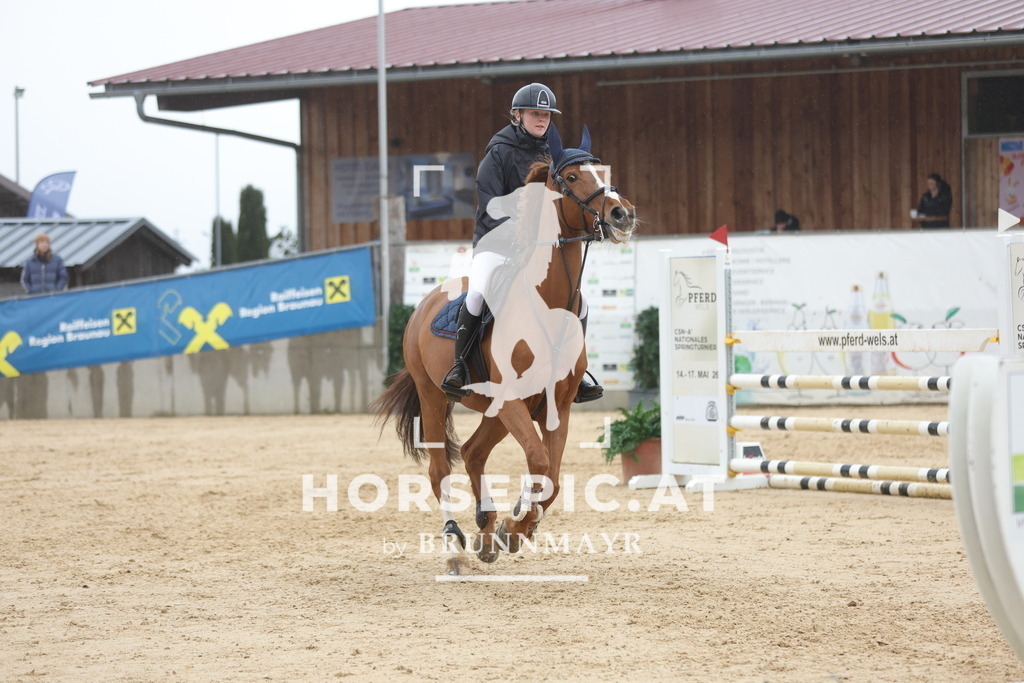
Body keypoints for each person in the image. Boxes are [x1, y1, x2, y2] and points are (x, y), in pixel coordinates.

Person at [441, 82, 603, 403]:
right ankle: (459, 366)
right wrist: (519, 230)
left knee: (579, 302)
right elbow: (489, 202)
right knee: (478, 292)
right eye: (535, 114)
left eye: (546, 115)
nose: (542, 120)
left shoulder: (553, 156)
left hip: (538, 247)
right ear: (518, 115)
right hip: (495, 242)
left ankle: (576, 370)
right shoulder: (498, 152)